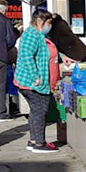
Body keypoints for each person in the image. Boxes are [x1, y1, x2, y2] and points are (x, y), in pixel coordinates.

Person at [15, 9, 59, 154]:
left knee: (36, 111)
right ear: (40, 21)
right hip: (33, 83)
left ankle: (34, 140)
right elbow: (26, 56)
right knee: (40, 111)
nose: (50, 26)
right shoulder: (31, 35)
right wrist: (35, 77)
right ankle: (39, 143)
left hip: (35, 82)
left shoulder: (39, 34)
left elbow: (46, 51)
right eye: (49, 23)